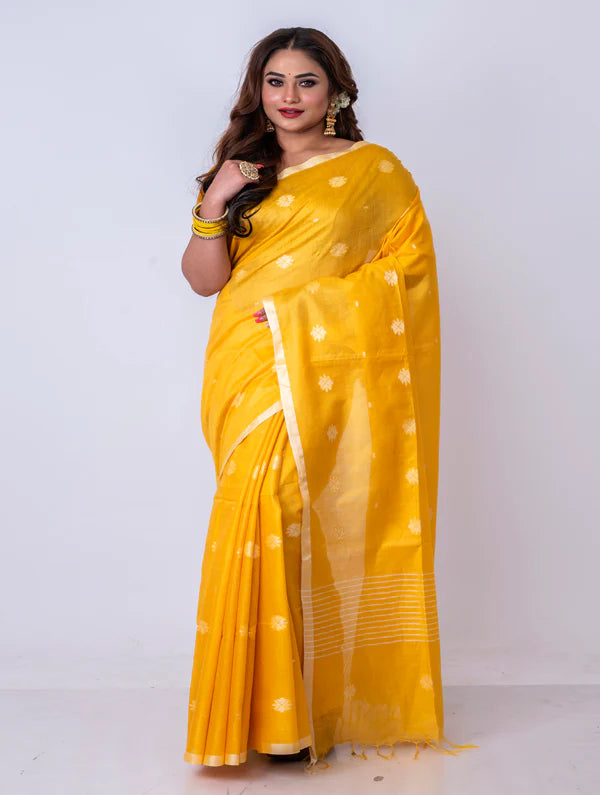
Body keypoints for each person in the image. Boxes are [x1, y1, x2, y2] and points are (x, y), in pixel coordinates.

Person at [181, 26, 477, 770]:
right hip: (243, 367)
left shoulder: (374, 171)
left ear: (335, 90)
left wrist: (301, 315)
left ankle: (300, 714)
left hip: (318, 362)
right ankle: (256, 714)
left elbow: (408, 274)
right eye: (275, 81)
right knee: (249, 516)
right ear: (258, 91)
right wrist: (215, 200)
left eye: (306, 81)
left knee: (286, 514)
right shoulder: (243, 172)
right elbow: (205, 281)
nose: (289, 97)